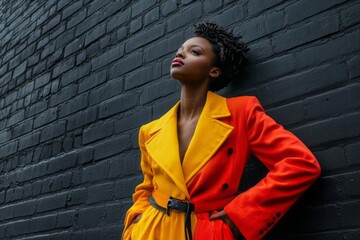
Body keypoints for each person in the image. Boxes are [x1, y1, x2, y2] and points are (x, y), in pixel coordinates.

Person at [122, 22, 321, 240]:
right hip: (152, 229)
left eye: (194, 51)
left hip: (205, 230)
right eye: (181, 49)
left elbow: (299, 163)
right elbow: (146, 187)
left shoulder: (240, 113)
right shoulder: (150, 130)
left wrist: (241, 214)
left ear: (213, 70)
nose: (181, 53)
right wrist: (135, 221)